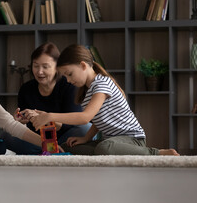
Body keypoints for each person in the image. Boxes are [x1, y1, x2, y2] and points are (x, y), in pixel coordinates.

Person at [29, 44, 179, 156]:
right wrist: (85, 138)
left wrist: (49, 116)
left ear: (83, 66)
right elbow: (98, 120)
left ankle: (156, 153)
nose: (68, 80)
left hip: (132, 139)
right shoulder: (87, 90)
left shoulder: (102, 83)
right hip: (111, 140)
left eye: (69, 74)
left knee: (104, 148)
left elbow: (85, 118)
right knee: (67, 147)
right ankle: (104, 152)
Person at [1, 42, 91, 155]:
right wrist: (20, 121)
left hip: (64, 138)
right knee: (7, 135)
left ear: (57, 67)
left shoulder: (69, 86)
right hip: (37, 140)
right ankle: (52, 151)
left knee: (85, 128)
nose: (39, 72)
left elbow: (74, 122)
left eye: (45, 66)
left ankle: (49, 151)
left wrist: (47, 119)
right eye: (36, 65)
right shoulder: (26, 89)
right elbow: (25, 128)